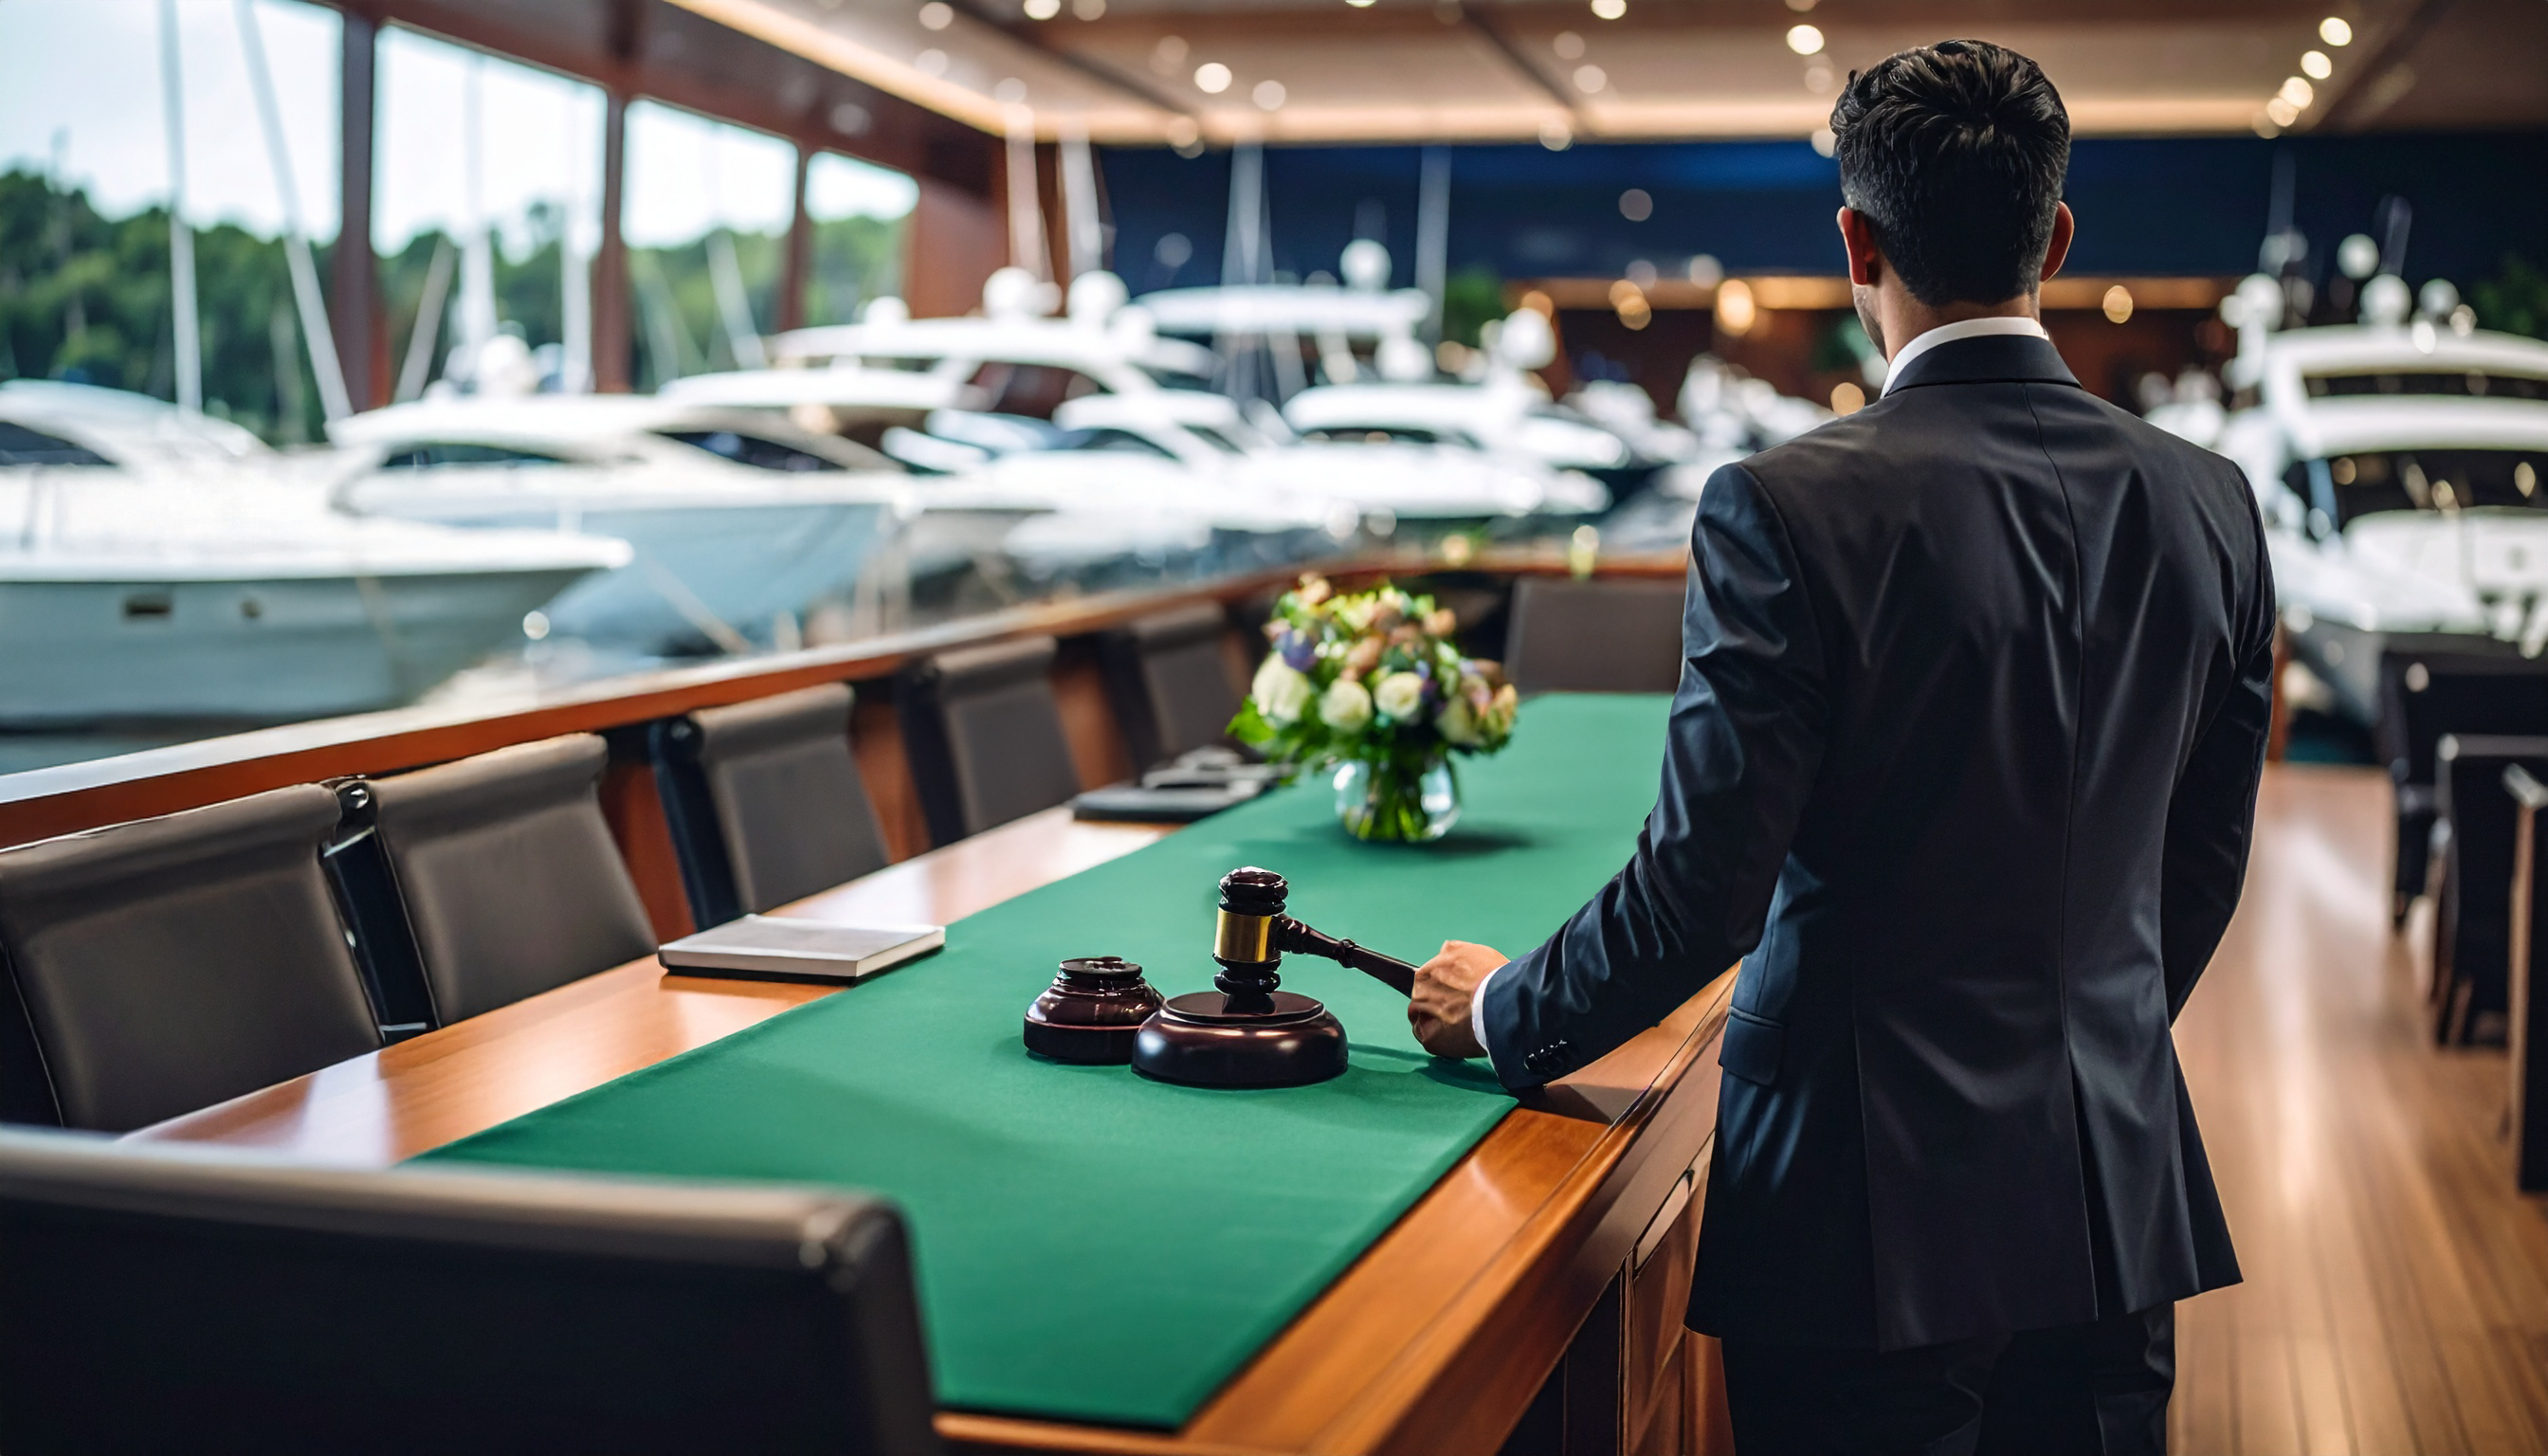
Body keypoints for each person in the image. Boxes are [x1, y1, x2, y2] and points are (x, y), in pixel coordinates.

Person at [1407, 39, 2269, 1456]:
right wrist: (2079, 1043)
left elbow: (1703, 890)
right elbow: (2201, 868)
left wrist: (1509, 1010)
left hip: (1862, 1220)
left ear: (1855, 242)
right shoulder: (2214, 505)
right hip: (2115, 1194)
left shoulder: (1784, 506)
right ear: (2055, 238)